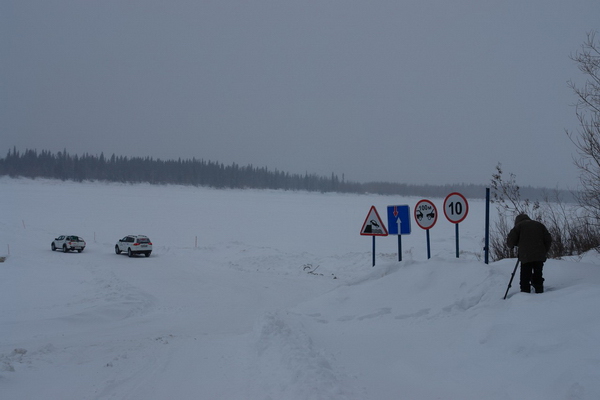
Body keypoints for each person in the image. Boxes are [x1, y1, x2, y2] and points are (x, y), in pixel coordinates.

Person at [507, 213, 552, 293]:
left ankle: (525, 294)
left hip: (525, 256)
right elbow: (548, 239)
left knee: (525, 276)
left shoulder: (519, 226)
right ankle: (539, 291)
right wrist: (544, 251)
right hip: (539, 255)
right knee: (538, 274)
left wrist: (512, 246)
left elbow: (511, 240)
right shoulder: (539, 225)